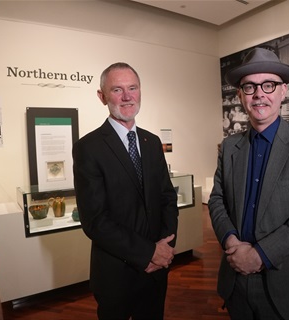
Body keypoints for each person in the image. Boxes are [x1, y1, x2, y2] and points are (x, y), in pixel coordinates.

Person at [208, 47, 289, 320]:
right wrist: (231, 241)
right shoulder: (229, 146)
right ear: (240, 95)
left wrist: (260, 255)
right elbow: (217, 199)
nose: (259, 94)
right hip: (236, 280)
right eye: (249, 87)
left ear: (283, 91)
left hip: (288, 283)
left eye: (268, 85)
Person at [72, 62, 179, 320]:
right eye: (117, 89)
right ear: (102, 97)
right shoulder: (89, 148)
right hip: (116, 275)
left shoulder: (152, 142)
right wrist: (148, 253)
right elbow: (95, 221)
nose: (127, 96)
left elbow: (167, 197)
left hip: (156, 273)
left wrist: (165, 249)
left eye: (133, 88)